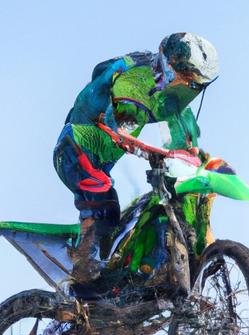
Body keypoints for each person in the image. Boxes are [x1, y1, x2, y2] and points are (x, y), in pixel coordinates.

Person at [53, 32, 220, 290]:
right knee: (103, 198)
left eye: (196, 84)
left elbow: (188, 145)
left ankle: (130, 271)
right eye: (185, 79)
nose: (188, 87)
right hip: (76, 145)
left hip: (107, 154)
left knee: (181, 192)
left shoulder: (175, 106)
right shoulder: (135, 80)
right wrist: (145, 148)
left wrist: (201, 164)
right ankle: (83, 268)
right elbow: (123, 122)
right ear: (167, 67)